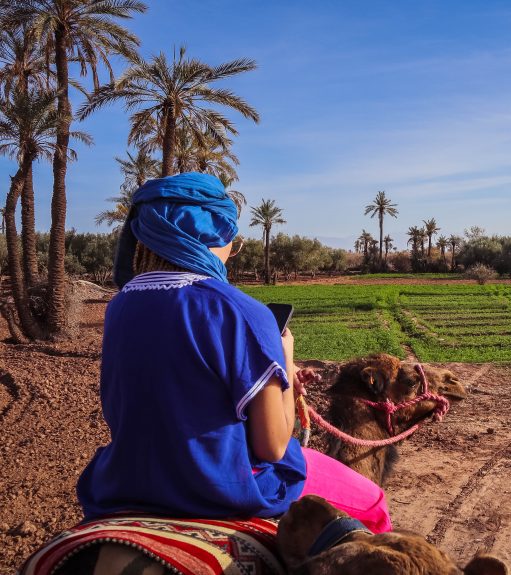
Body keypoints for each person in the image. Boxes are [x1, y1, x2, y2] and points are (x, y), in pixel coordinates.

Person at [76, 172, 391, 532]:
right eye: (233, 240)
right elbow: (272, 446)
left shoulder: (121, 306)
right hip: (220, 488)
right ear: (214, 234)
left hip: (129, 480)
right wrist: (284, 360)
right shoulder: (241, 311)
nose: (231, 251)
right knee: (372, 504)